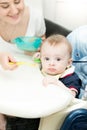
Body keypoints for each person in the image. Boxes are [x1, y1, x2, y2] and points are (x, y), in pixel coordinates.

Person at [0, 0, 46, 129]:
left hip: (28, 80)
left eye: (17, 1)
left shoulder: (35, 17)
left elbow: (43, 42)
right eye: (4, 6)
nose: (14, 11)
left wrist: (41, 48)